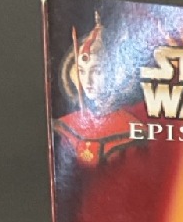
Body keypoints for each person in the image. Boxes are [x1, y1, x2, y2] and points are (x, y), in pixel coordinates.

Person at [53, 12, 140, 167]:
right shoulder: (66, 126)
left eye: (97, 71)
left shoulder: (131, 130)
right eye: (82, 71)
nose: (87, 81)